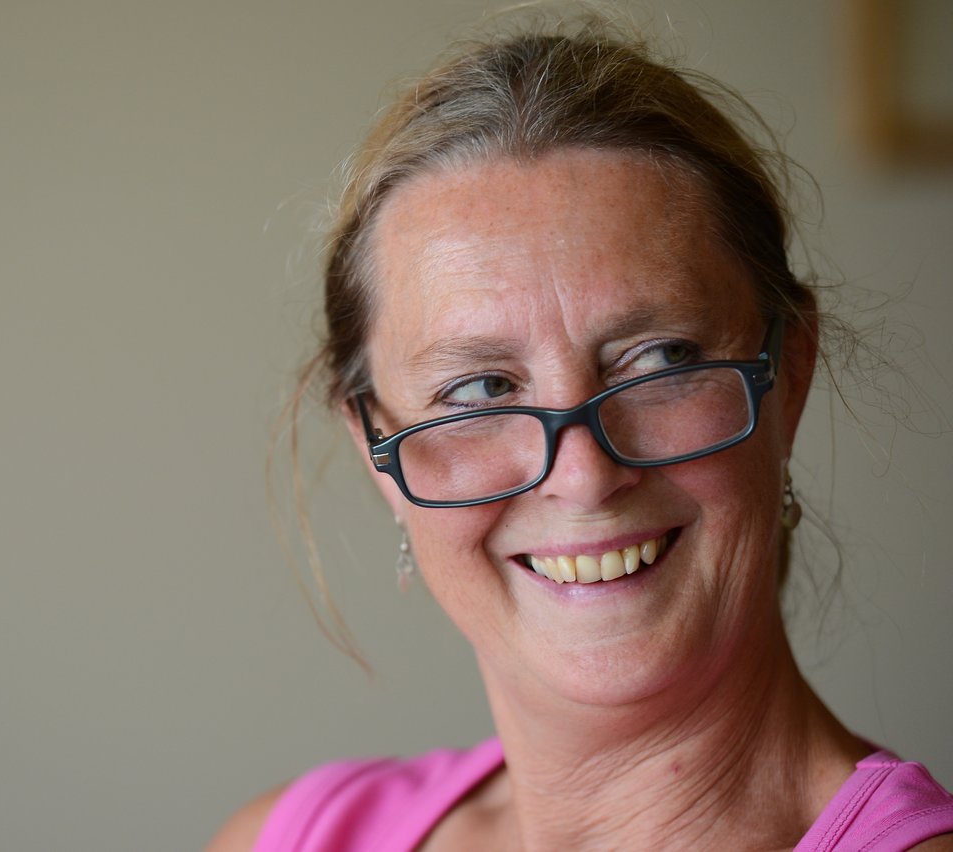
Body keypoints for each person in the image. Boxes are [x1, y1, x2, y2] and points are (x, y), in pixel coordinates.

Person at [210, 19, 953, 852]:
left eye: (661, 357)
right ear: (374, 448)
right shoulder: (287, 837)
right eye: (480, 389)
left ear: (791, 374)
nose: (584, 475)